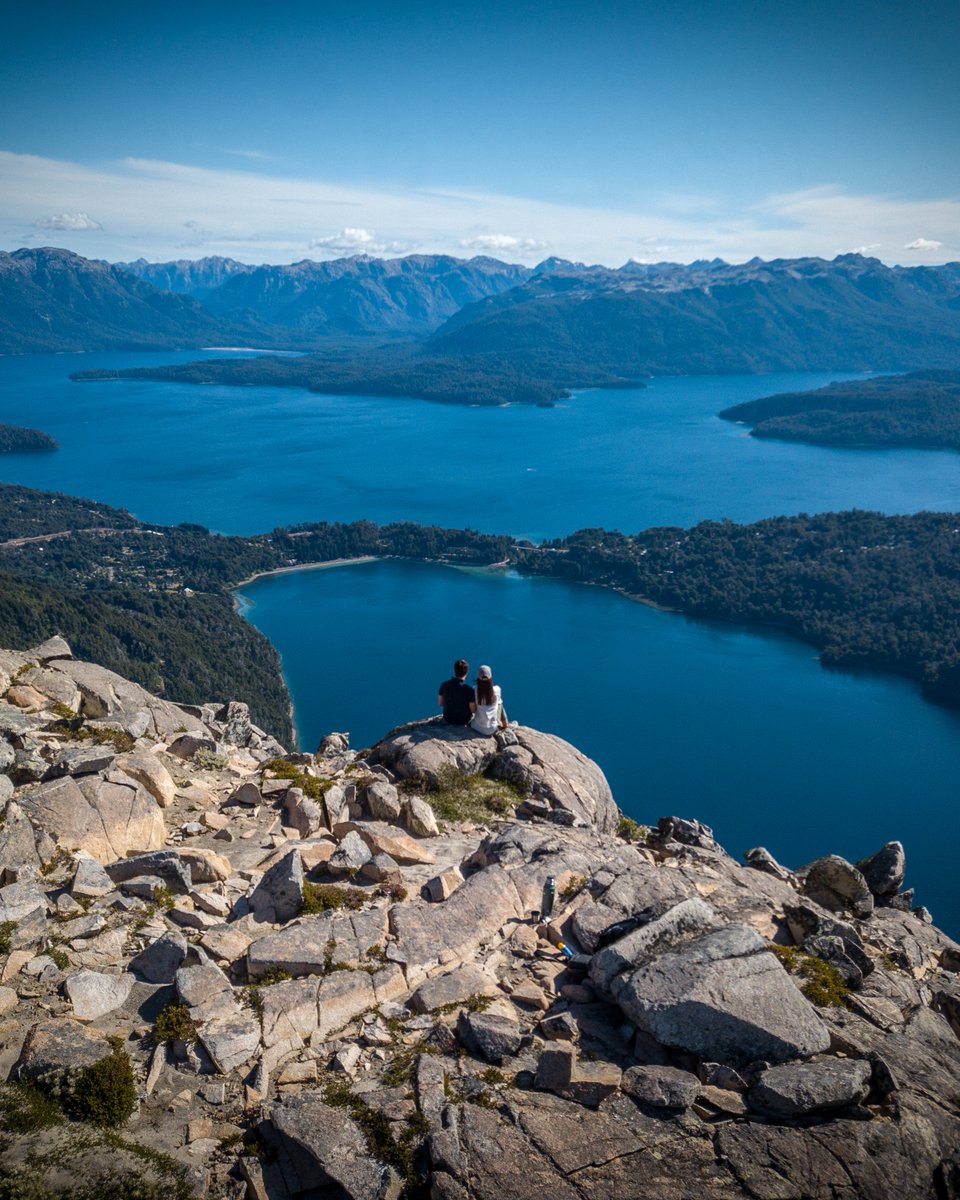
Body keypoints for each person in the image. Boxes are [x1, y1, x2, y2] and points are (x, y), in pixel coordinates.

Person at [471, 664, 508, 734]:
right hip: (492, 728)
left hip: (476, 726)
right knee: (499, 703)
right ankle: (505, 725)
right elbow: (500, 706)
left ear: (478, 678)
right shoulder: (497, 690)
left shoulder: (474, 690)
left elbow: (473, 709)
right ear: (490, 677)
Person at [438, 658, 475, 726]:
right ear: (467, 672)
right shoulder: (469, 690)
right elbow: (473, 710)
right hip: (464, 720)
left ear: (454, 670)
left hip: (448, 718)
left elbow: (440, 703)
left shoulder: (444, 685)